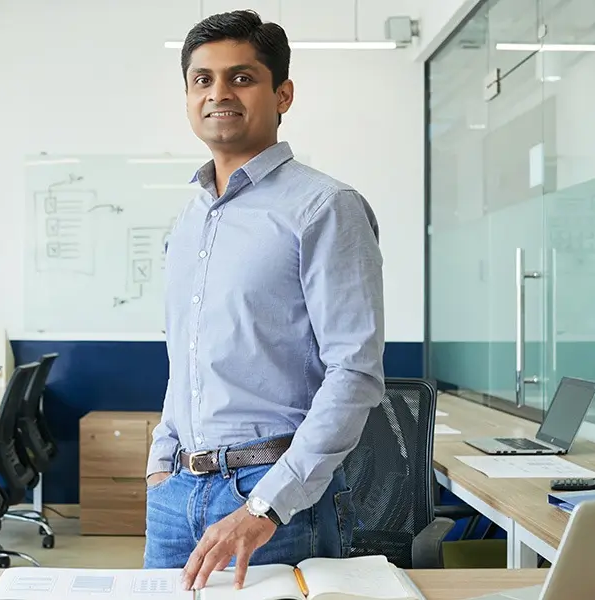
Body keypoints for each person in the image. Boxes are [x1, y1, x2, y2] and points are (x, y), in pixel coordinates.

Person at [142, 8, 386, 592]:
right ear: (187, 97)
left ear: (283, 94)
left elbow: (354, 371)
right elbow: (187, 357)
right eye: (203, 79)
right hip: (176, 494)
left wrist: (265, 508)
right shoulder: (192, 215)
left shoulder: (325, 206)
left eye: (242, 78)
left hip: (271, 499)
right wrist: (160, 461)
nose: (219, 93)